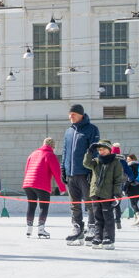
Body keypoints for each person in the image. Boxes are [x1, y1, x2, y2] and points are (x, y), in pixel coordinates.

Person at [61, 105, 99, 245]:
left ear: (81, 115)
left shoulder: (92, 129)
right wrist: (63, 168)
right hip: (71, 174)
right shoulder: (69, 131)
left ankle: (92, 227)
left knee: (90, 203)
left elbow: (94, 152)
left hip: (84, 173)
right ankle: (77, 228)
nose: (70, 116)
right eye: (69, 114)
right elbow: (65, 151)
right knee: (74, 204)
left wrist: (92, 170)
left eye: (73, 114)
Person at [83, 141, 125, 249]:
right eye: (99, 150)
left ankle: (108, 238)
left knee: (108, 218)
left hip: (108, 194)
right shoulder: (96, 161)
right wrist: (89, 152)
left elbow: (118, 180)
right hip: (95, 193)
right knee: (97, 217)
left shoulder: (115, 162)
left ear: (109, 150)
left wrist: (116, 195)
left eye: (103, 149)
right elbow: (86, 164)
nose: (101, 151)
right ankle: (98, 237)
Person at [22, 138, 63, 238]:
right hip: (41, 184)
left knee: (31, 205)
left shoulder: (33, 153)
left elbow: (26, 169)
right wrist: (62, 187)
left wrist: (27, 182)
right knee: (43, 207)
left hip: (28, 183)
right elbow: (57, 172)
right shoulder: (50, 155)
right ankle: (41, 230)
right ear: (53, 146)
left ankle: (29, 229)